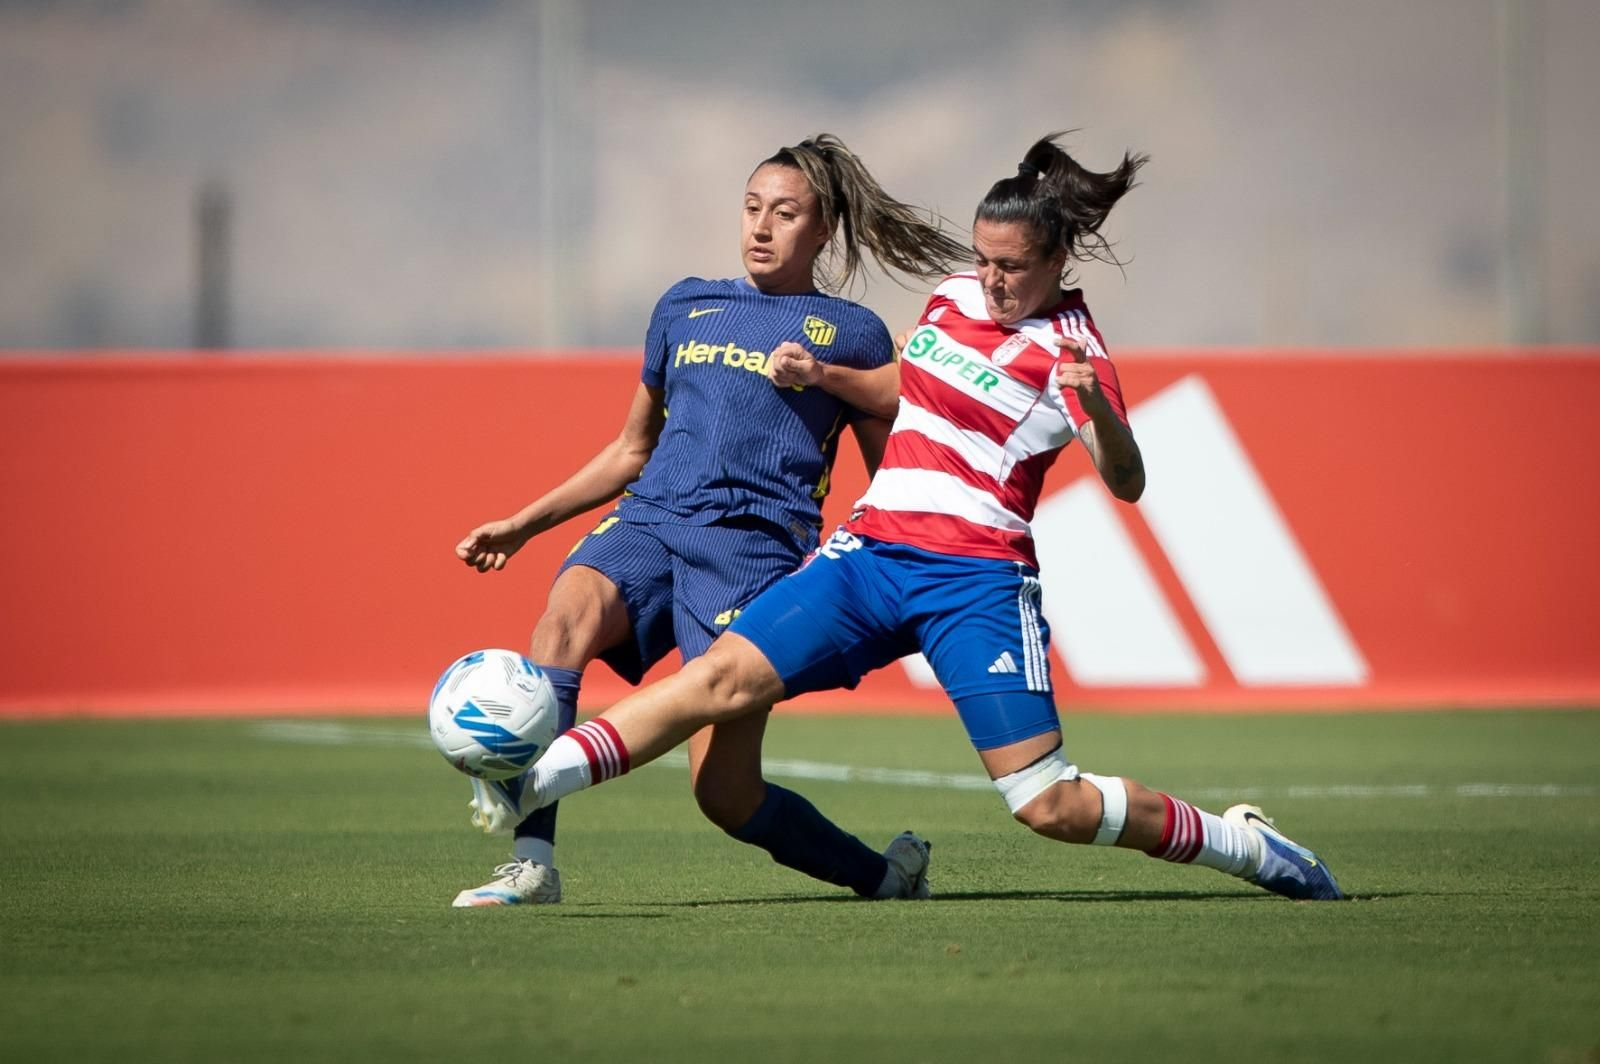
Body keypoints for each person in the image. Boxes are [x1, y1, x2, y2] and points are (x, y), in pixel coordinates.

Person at [475, 132, 1345, 902]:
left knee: (1047, 803)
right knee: (714, 683)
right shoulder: (956, 297)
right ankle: (528, 783)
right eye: (983, 258)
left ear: (1057, 261)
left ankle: (1243, 846)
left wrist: (1101, 416)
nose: (991, 280)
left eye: (1012, 267)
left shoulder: (1074, 355)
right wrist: (825, 379)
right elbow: (907, 389)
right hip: (870, 554)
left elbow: (1126, 481)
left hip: (975, 578)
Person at [450, 134, 968, 906]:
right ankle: (534, 865)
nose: (761, 226)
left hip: (754, 551)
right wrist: (525, 524)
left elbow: (891, 475)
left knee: (723, 793)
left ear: (823, 229)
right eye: (752, 208)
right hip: (651, 520)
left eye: (785, 213)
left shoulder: (851, 332)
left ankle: (882, 875)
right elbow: (632, 448)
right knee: (562, 626)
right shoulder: (684, 305)